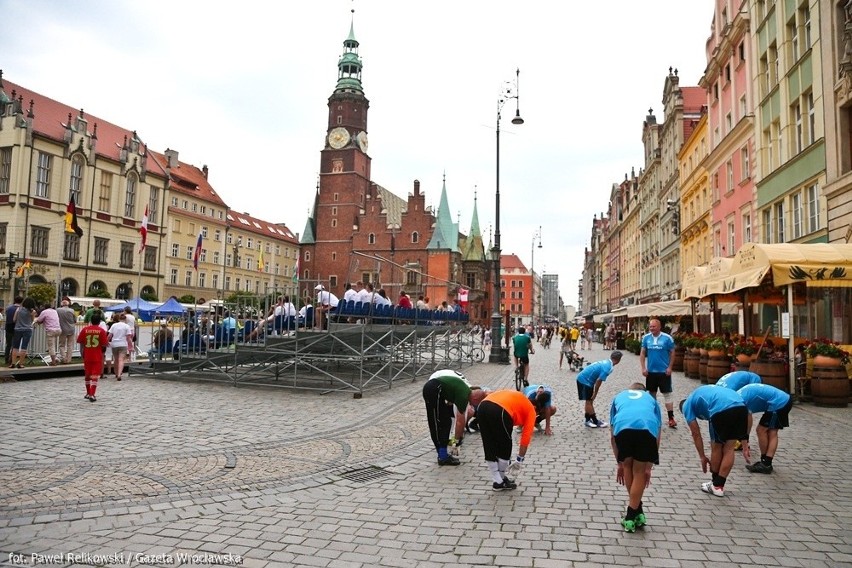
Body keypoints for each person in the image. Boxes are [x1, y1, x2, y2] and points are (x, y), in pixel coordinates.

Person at [679, 384, 751, 497]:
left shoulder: (687, 405)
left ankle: (715, 485)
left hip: (721, 409)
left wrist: (702, 456)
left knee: (716, 447)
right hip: (741, 407)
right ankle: (719, 484)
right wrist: (745, 446)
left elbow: (696, 433)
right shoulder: (702, 394)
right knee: (729, 448)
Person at [610, 383, 662, 532]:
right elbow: (658, 434)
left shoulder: (619, 397)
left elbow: (612, 437)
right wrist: (649, 465)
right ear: (644, 391)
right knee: (639, 472)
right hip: (646, 429)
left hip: (622, 427)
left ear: (629, 390)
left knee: (627, 466)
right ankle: (633, 515)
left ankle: (632, 516)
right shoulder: (651, 400)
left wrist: (619, 463)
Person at [422, 369, 488, 466]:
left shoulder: (466, 390)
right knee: (436, 422)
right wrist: (457, 442)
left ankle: (443, 453)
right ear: (475, 398)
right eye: (476, 403)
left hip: (436, 388)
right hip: (433, 389)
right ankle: (442, 456)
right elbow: (460, 422)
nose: (475, 405)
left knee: (446, 422)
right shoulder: (464, 396)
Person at [476, 389, 537, 491]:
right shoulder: (531, 411)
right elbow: (525, 438)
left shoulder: (520, 399)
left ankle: (500, 479)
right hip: (501, 410)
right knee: (505, 446)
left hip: (483, 406)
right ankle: (498, 481)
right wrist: (519, 461)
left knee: (489, 443)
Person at [737, 383, 793, 474]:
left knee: (763, 430)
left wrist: (744, 441)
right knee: (770, 431)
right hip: (782, 400)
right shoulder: (738, 396)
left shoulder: (739, 402)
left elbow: (744, 422)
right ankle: (766, 462)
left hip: (779, 402)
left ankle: (765, 463)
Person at [639, 318, 677, 428]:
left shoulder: (667, 338)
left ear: (659, 327)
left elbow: (672, 353)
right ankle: (653, 416)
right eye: (650, 327)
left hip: (664, 372)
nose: (651, 329)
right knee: (651, 395)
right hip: (651, 372)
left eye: (654, 326)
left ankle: (671, 418)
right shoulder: (646, 338)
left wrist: (670, 367)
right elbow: (642, 353)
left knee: (667, 394)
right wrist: (643, 368)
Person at [576, 351, 623, 428]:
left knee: (589, 401)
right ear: (618, 360)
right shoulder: (608, 367)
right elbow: (599, 380)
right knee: (589, 401)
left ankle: (587, 420)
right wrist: (595, 392)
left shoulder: (607, 362)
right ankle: (595, 421)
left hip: (586, 379)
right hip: (584, 380)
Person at [77, 312, 108, 402]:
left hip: (87, 354)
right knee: (95, 375)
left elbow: (80, 342)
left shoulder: (85, 329)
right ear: (99, 322)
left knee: (87, 374)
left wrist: (82, 352)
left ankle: (87, 392)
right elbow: (104, 344)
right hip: (97, 355)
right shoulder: (101, 331)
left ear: (90, 321)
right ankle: (92, 394)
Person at [9, 297, 37, 369]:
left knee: (15, 347)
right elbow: (32, 321)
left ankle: (13, 363)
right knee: (24, 347)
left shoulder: (19, 309)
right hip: (27, 329)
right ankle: (21, 363)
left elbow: (14, 319)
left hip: (18, 329)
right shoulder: (32, 311)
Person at [107, 313, 133, 380]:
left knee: (116, 359)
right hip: (123, 344)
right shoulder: (127, 326)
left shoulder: (114, 325)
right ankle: (119, 374)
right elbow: (128, 338)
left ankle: (116, 373)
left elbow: (109, 335)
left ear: (119, 319)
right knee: (121, 359)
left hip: (114, 344)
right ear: (125, 319)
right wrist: (131, 346)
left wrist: (106, 342)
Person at [56, 299, 77, 364]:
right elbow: (75, 320)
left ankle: (64, 358)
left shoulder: (58, 310)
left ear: (62, 304)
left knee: (61, 345)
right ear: (68, 304)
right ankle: (69, 359)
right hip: (71, 329)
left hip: (62, 329)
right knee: (70, 345)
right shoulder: (72, 310)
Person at [4, 296, 22, 366]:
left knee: (8, 344)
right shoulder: (20, 309)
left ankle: (6, 358)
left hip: (8, 326)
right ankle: (11, 359)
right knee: (15, 345)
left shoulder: (8, 308)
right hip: (16, 327)